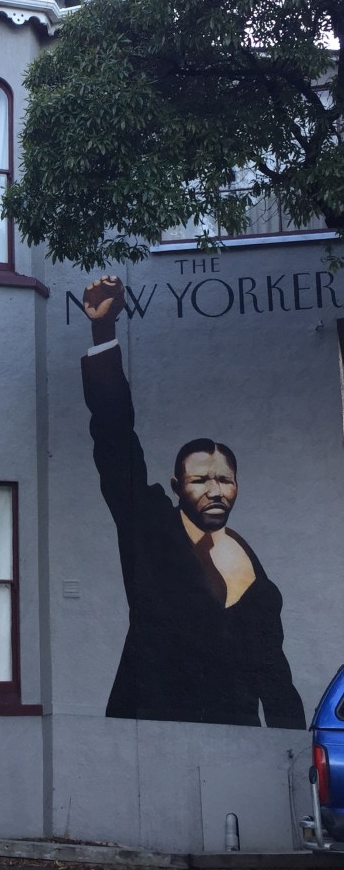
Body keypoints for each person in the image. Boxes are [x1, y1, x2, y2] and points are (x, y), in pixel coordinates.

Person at [81, 275, 305, 728]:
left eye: (224, 480)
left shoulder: (256, 576)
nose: (215, 491)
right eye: (200, 480)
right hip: (146, 729)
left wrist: (290, 746)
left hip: (234, 735)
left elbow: (274, 675)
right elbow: (114, 436)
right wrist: (103, 332)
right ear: (176, 485)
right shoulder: (148, 526)